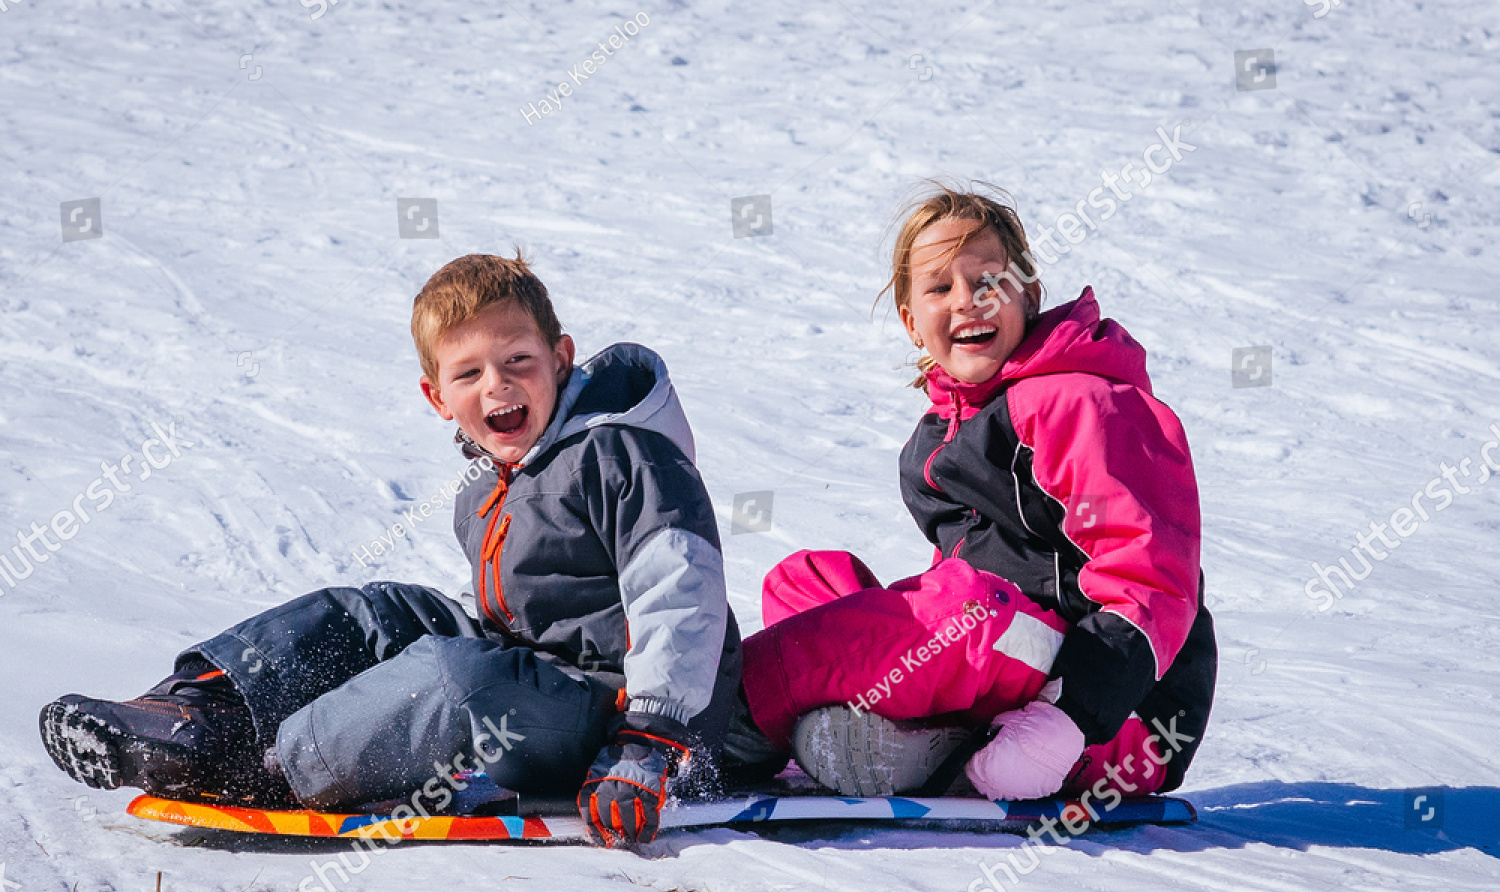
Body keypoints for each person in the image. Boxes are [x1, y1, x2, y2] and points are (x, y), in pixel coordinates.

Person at [38, 252, 744, 846]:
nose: (496, 384)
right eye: (469, 374)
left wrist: (650, 738)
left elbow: (679, 591)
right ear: (437, 396)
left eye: (517, 360)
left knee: (452, 672)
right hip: (549, 693)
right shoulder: (487, 487)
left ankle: (272, 770)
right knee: (378, 610)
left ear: (560, 358)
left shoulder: (623, 454)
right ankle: (198, 714)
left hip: (631, 719)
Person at [738, 183, 1217, 803]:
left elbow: (1150, 580)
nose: (968, 302)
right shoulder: (946, 432)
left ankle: (727, 722)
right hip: (1008, 652)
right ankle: (914, 742)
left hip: (1118, 716)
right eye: (940, 288)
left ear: (1029, 297)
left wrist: (1064, 722)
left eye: (989, 281)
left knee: (962, 608)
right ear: (912, 322)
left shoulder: (1082, 403)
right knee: (805, 579)